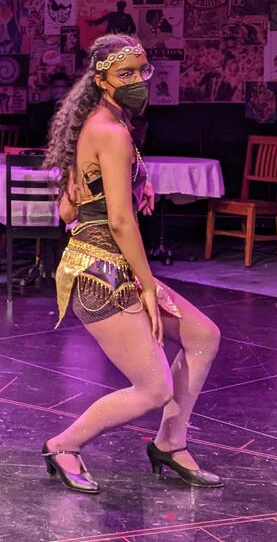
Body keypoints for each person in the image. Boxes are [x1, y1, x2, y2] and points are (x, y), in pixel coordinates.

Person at [42, 34, 222, 494]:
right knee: (154, 389)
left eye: (143, 70)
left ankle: (170, 443)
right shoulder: (112, 131)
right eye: (126, 73)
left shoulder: (103, 123)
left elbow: (68, 208)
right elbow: (120, 222)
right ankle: (63, 445)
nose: (138, 80)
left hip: (107, 263)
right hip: (99, 275)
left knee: (202, 335)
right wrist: (147, 285)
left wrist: (133, 184)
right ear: (101, 80)